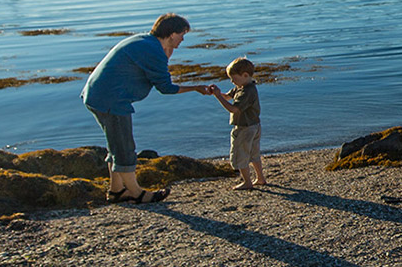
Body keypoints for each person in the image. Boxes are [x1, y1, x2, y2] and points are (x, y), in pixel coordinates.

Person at [82, 13, 211, 203]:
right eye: (182, 34)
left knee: (116, 145)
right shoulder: (153, 51)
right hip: (111, 100)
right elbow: (165, 88)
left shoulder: (145, 42)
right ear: (171, 33)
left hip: (98, 94)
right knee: (125, 148)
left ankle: (117, 191)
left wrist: (166, 55)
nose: (183, 39)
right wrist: (196, 88)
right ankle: (138, 193)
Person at [209, 57, 265, 190]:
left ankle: (247, 182)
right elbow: (228, 97)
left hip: (245, 128)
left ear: (245, 75)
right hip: (255, 125)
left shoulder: (247, 91)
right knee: (253, 153)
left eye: (233, 78)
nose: (232, 81)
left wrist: (217, 97)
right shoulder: (242, 86)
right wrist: (216, 93)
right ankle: (260, 178)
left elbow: (234, 109)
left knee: (241, 154)